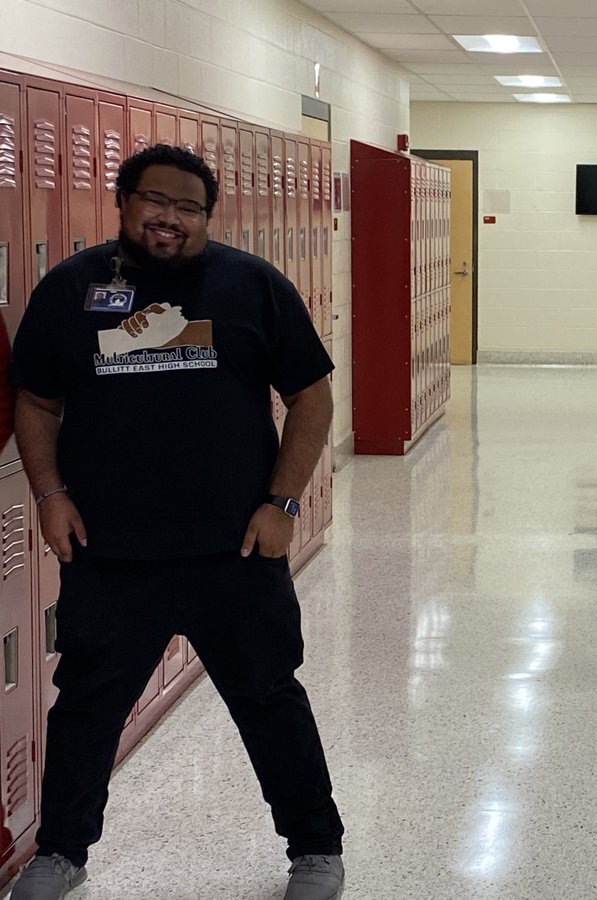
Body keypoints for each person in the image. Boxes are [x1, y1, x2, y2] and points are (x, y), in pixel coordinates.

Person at [9, 144, 344, 900]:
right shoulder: (73, 289)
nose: (170, 219)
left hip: (235, 548)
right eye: (155, 201)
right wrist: (50, 492)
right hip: (110, 552)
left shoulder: (251, 284)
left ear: (206, 216)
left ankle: (316, 848)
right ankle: (61, 853)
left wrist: (284, 501)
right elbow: (35, 399)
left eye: (189, 207)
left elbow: (312, 395)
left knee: (269, 698)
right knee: (88, 707)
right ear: (124, 203)